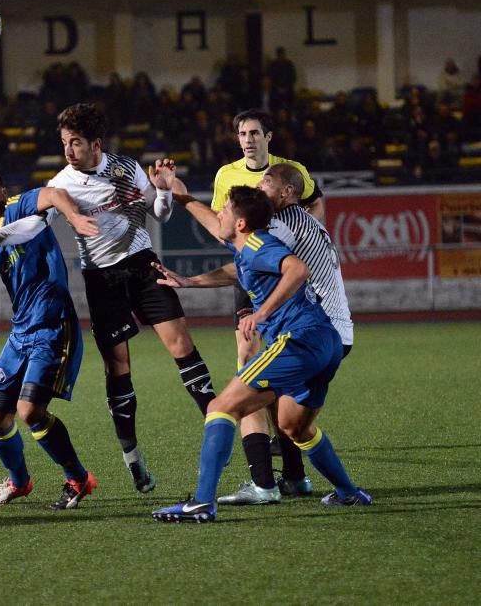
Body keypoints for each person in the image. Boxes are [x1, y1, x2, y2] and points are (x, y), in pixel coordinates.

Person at [0, 103, 217, 494]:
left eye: (74, 142)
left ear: (96, 143)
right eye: (64, 143)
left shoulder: (126, 167)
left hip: (142, 265)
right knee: (118, 367)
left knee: (182, 348)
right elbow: (26, 229)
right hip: (102, 279)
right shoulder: (63, 182)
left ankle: (219, 428)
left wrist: (162, 190)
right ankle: (133, 459)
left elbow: (159, 213)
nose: (68, 150)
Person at [151, 186, 370, 523]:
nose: (219, 214)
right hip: (324, 343)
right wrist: (189, 282)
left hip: (298, 341)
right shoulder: (246, 248)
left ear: (240, 223)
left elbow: (297, 270)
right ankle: (349, 494)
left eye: (224, 210)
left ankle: (202, 503)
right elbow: (235, 270)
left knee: (221, 407)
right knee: (293, 427)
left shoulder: (257, 244)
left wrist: (263, 312)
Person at [0, 163, 100, 509]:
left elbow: (56, 194)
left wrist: (73, 217)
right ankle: (19, 482)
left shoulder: (22, 205)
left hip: (53, 325)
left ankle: (78, 478)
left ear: (1, 190)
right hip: (21, 333)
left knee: (29, 411)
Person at [212, 109, 325, 462]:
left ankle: (287, 451)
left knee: (281, 359)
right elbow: (222, 226)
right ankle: (262, 459)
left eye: (255, 133)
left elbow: (315, 204)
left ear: (268, 137)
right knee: (247, 356)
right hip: (251, 274)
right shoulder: (226, 175)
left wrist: (295, 239)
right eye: (243, 133)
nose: (248, 140)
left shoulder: (289, 170)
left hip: (284, 276)